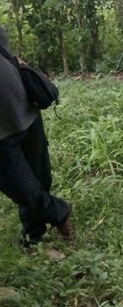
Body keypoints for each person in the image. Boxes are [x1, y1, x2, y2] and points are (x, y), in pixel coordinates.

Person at [0, 25, 74, 247]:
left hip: (25, 111)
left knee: (40, 177)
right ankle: (60, 212)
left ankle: (33, 237)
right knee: (22, 187)